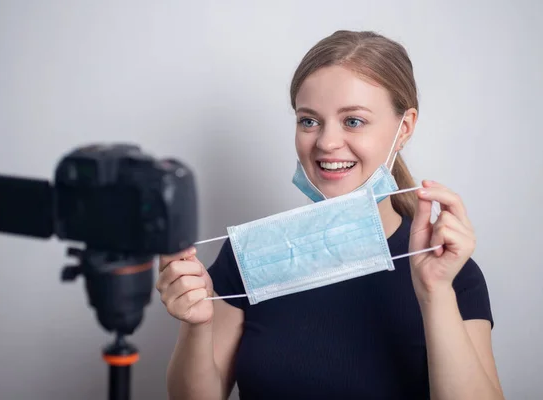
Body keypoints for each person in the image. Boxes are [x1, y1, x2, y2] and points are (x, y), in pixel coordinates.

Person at [155, 30, 504, 399]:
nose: (325, 142)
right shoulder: (251, 258)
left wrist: (435, 294)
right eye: (309, 121)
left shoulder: (452, 274)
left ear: (404, 128)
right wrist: (197, 326)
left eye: (353, 121)